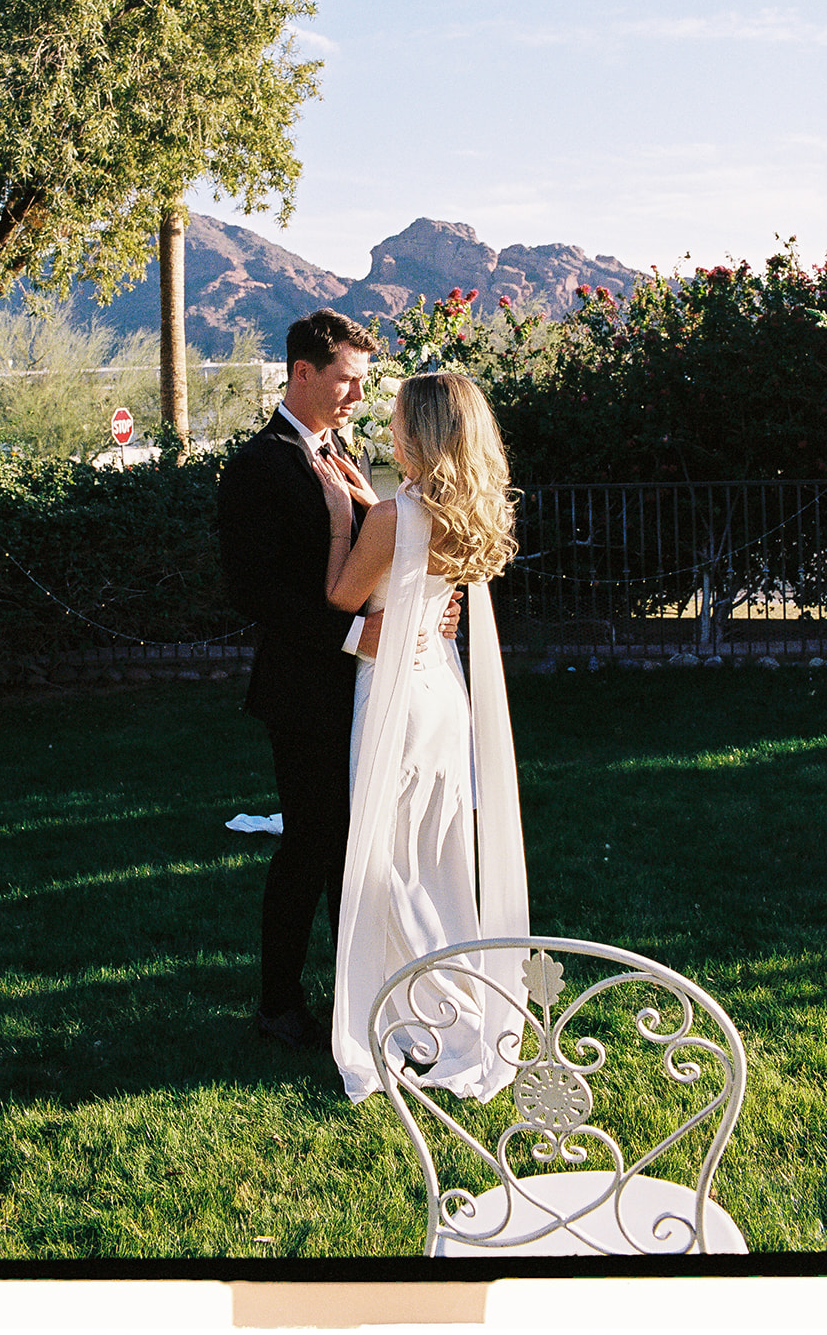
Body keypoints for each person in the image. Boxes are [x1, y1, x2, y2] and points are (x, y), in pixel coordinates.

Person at [217, 309, 459, 1051]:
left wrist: (429, 608)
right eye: (347, 381)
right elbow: (252, 590)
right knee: (311, 844)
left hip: (372, 688)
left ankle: (358, 992)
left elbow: (385, 550)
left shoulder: (341, 451)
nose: (359, 396)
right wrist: (352, 634)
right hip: (304, 690)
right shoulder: (259, 466)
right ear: (303, 373)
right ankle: (279, 1004)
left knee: (361, 847)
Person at [312, 371, 529, 1103]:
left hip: (394, 694)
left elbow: (342, 595)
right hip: (441, 688)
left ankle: (423, 1012)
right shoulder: (466, 509)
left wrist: (342, 516)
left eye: (401, 422)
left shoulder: (390, 516)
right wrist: (372, 502)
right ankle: (442, 999)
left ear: (424, 434)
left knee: (392, 857)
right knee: (437, 855)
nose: (391, 432)